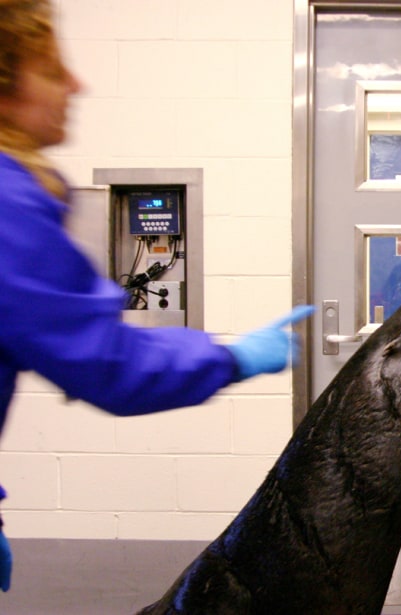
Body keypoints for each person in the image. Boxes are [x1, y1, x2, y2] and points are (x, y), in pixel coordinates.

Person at [0, 0, 313, 593]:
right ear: (7, 87)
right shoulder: (9, 209)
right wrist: (233, 358)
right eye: (51, 69)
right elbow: (109, 363)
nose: (76, 83)